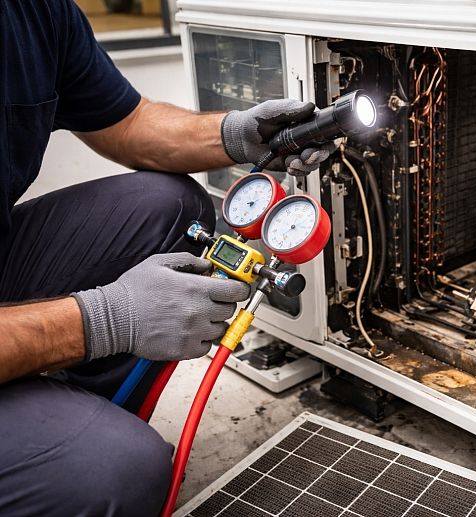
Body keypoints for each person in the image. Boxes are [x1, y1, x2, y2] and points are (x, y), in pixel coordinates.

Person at [0, 0, 333, 515]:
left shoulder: (34, 12)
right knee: (116, 473)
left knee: (166, 205)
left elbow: (127, 121)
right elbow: (104, 319)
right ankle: (71, 455)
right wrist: (104, 320)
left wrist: (234, 133)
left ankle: (62, 412)